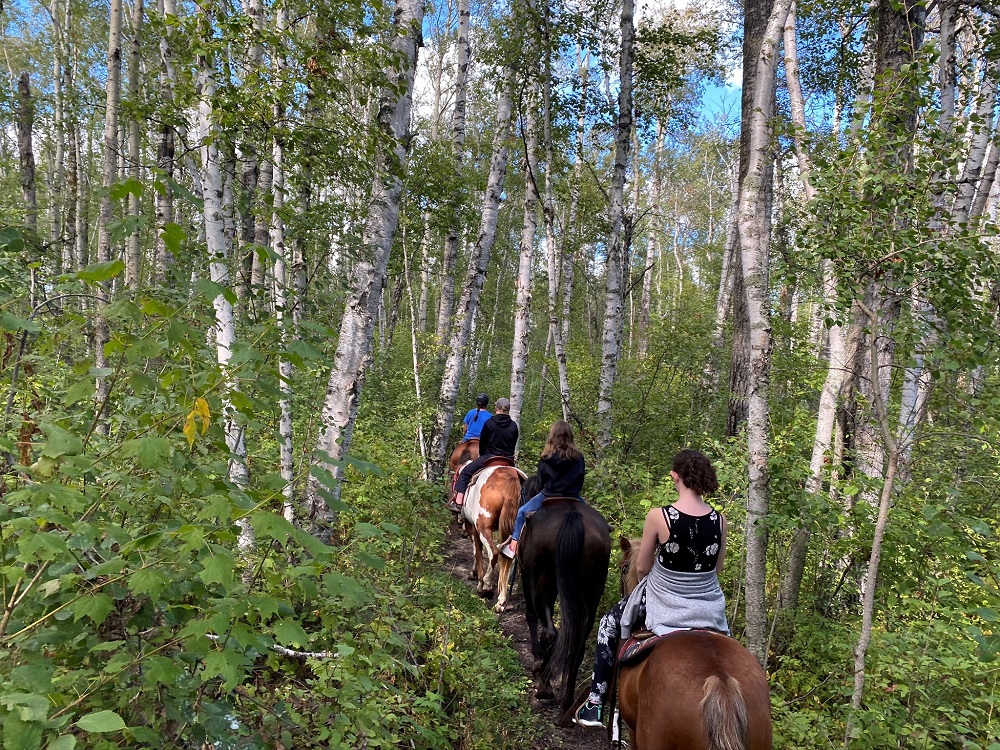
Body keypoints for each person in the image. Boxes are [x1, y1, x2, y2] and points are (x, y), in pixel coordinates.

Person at [574, 449, 729, 728]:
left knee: (609, 624)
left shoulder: (659, 517)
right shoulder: (719, 520)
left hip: (666, 601)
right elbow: (715, 570)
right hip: (708, 606)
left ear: (675, 477)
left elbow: (643, 567)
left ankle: (596, 701)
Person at [503, 420, 585, 558]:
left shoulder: (547, 457)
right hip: (573, 496)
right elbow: (580, 479)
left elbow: (540, 483)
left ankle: (513, 546)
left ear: (553, 436)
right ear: (570, 436)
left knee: (522, 512)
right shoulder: (578, 457)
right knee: (594, 516)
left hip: (549, 495)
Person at [450, 397, 519, 511]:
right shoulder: (513, 426)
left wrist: (483, 455)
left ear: (496, 408)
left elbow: (483, 443)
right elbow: (513, 444)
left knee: (465, 472)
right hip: (508, 459)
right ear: (508, 410)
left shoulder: (490, 423)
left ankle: (458, 503)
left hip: (490, 456)